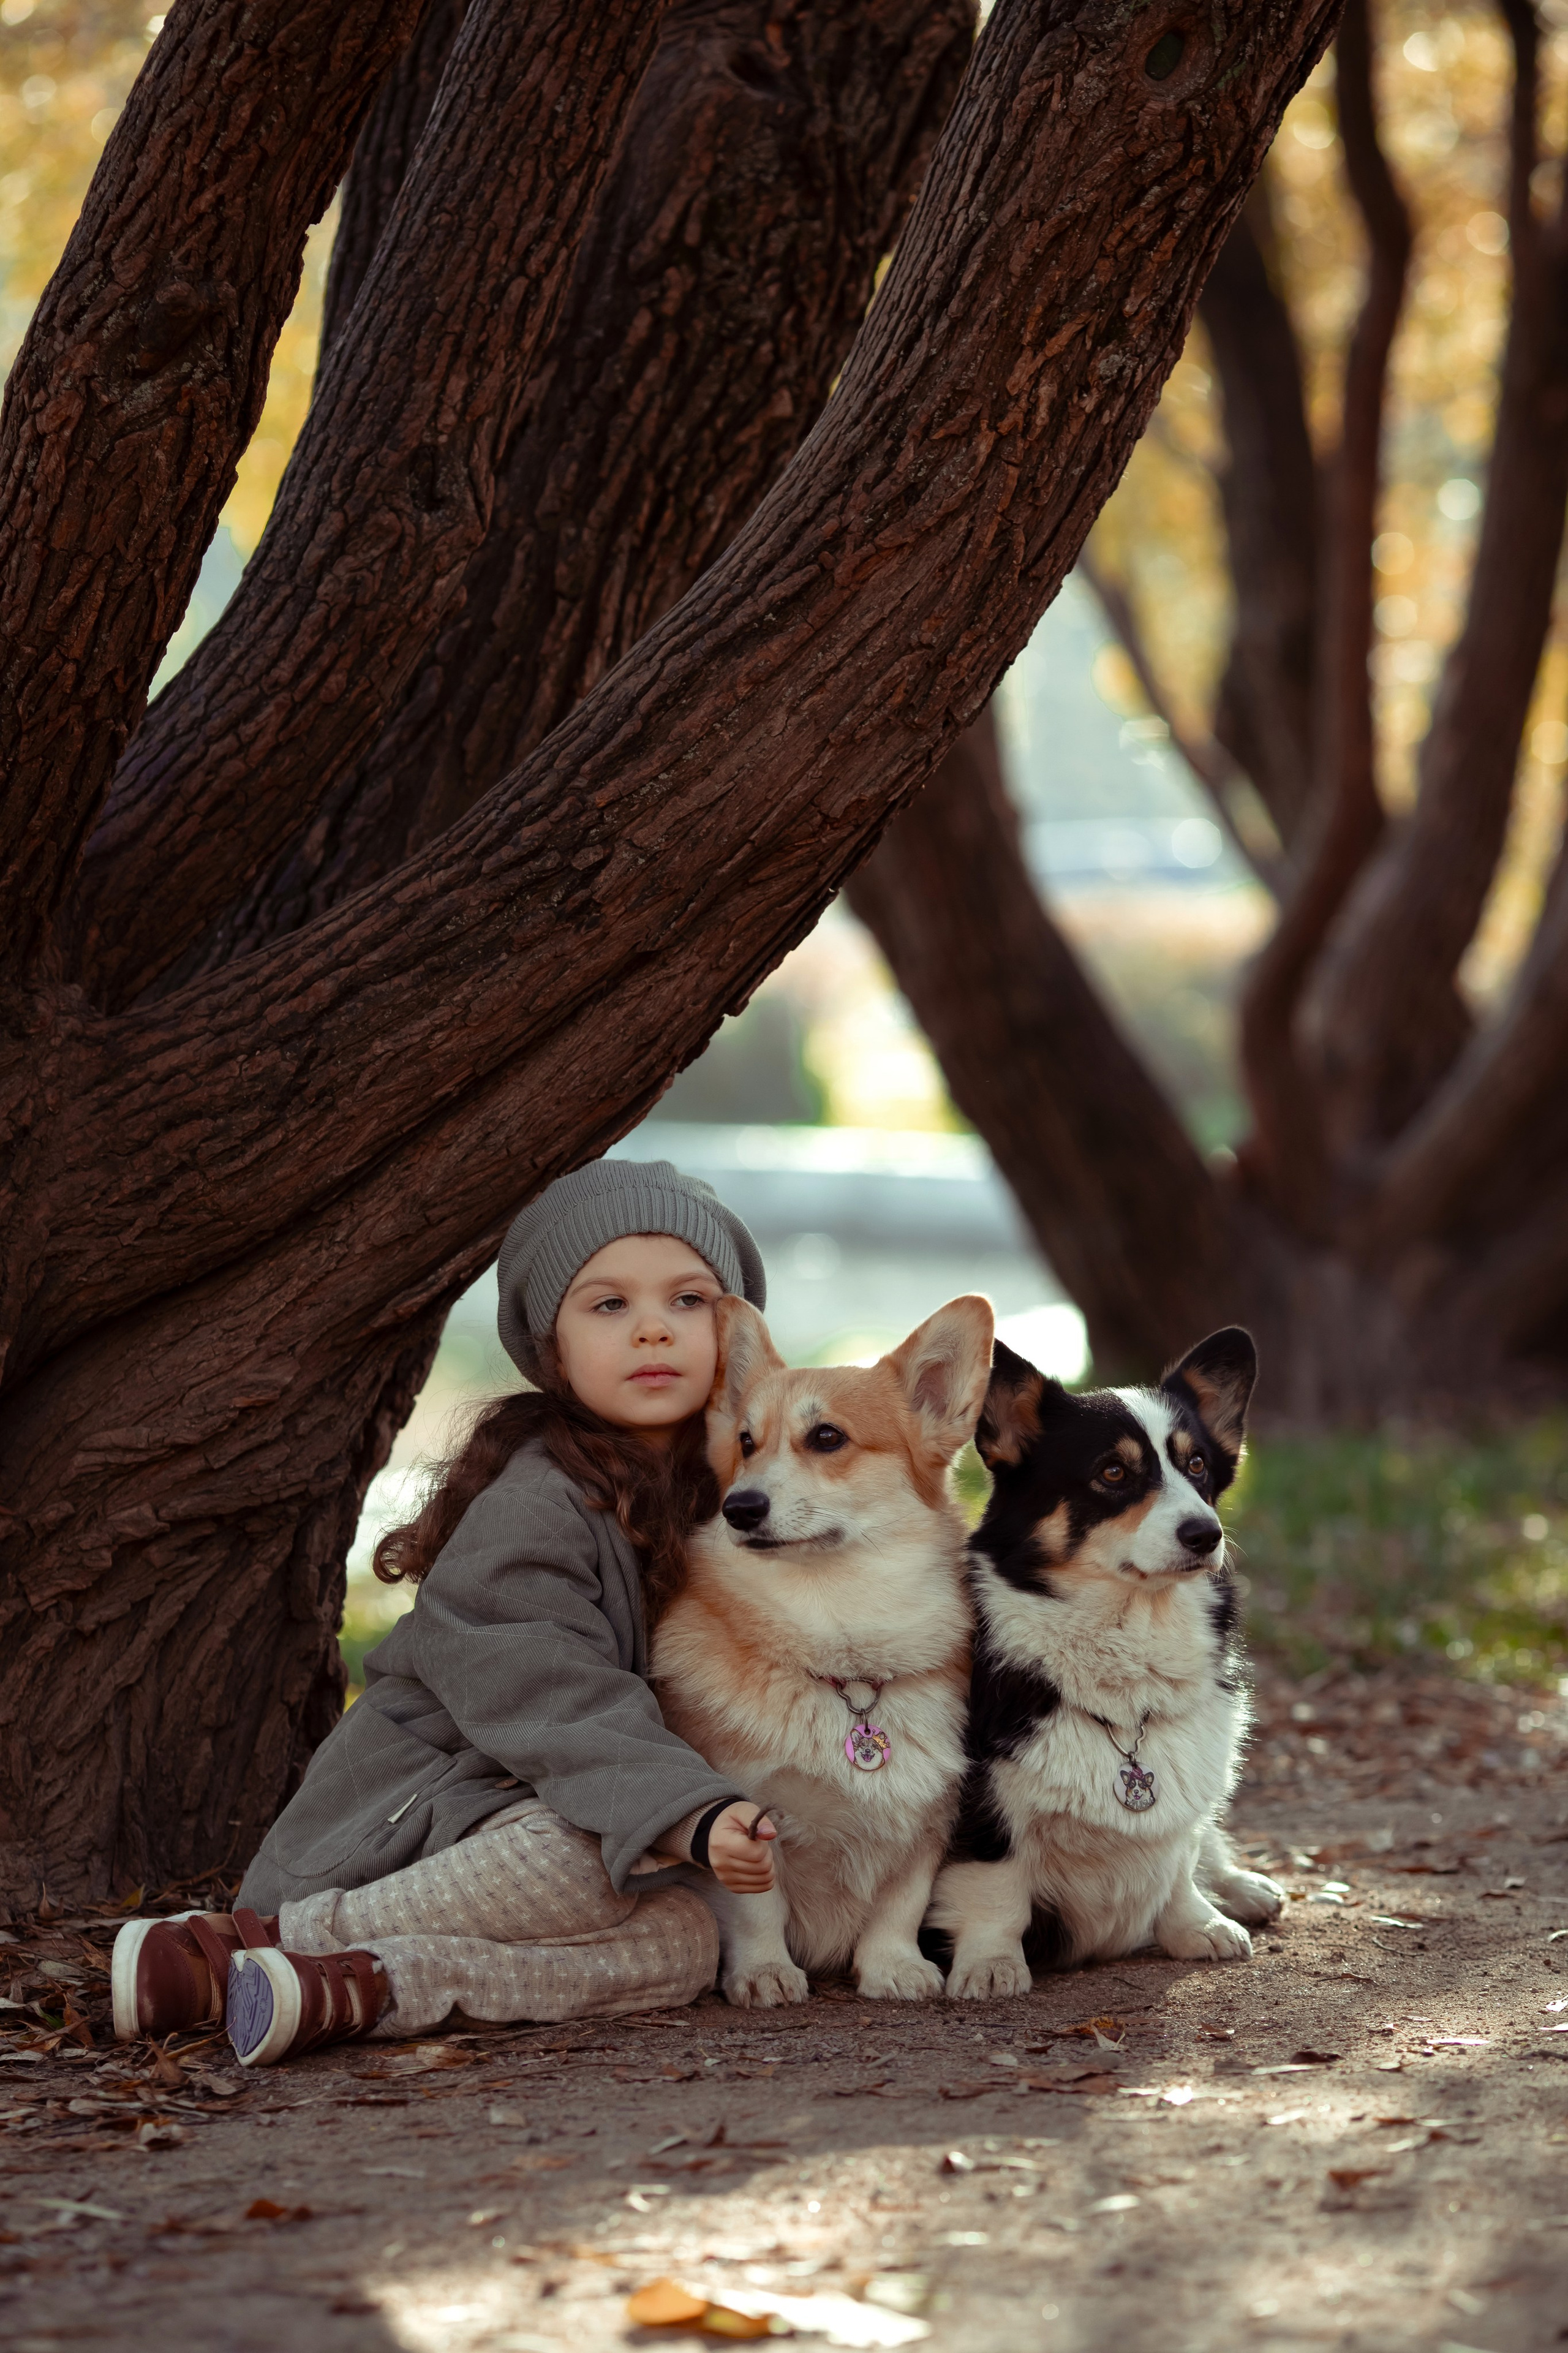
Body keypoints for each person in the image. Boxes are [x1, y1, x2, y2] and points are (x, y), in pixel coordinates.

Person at [110, 1160, 778, 2066]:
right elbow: (549, 1693)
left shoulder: (734, 1491)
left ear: (737, 1335)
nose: (653, 1327)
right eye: (609, 1305)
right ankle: (251, 1938)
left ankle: (354, 1988)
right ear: (552, 1347)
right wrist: (690, 1813)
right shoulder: (537, 1502)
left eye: (689, 1300)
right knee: (583, 1864)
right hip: (418, 1822)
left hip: (560, 1804)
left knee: (690, 1942)